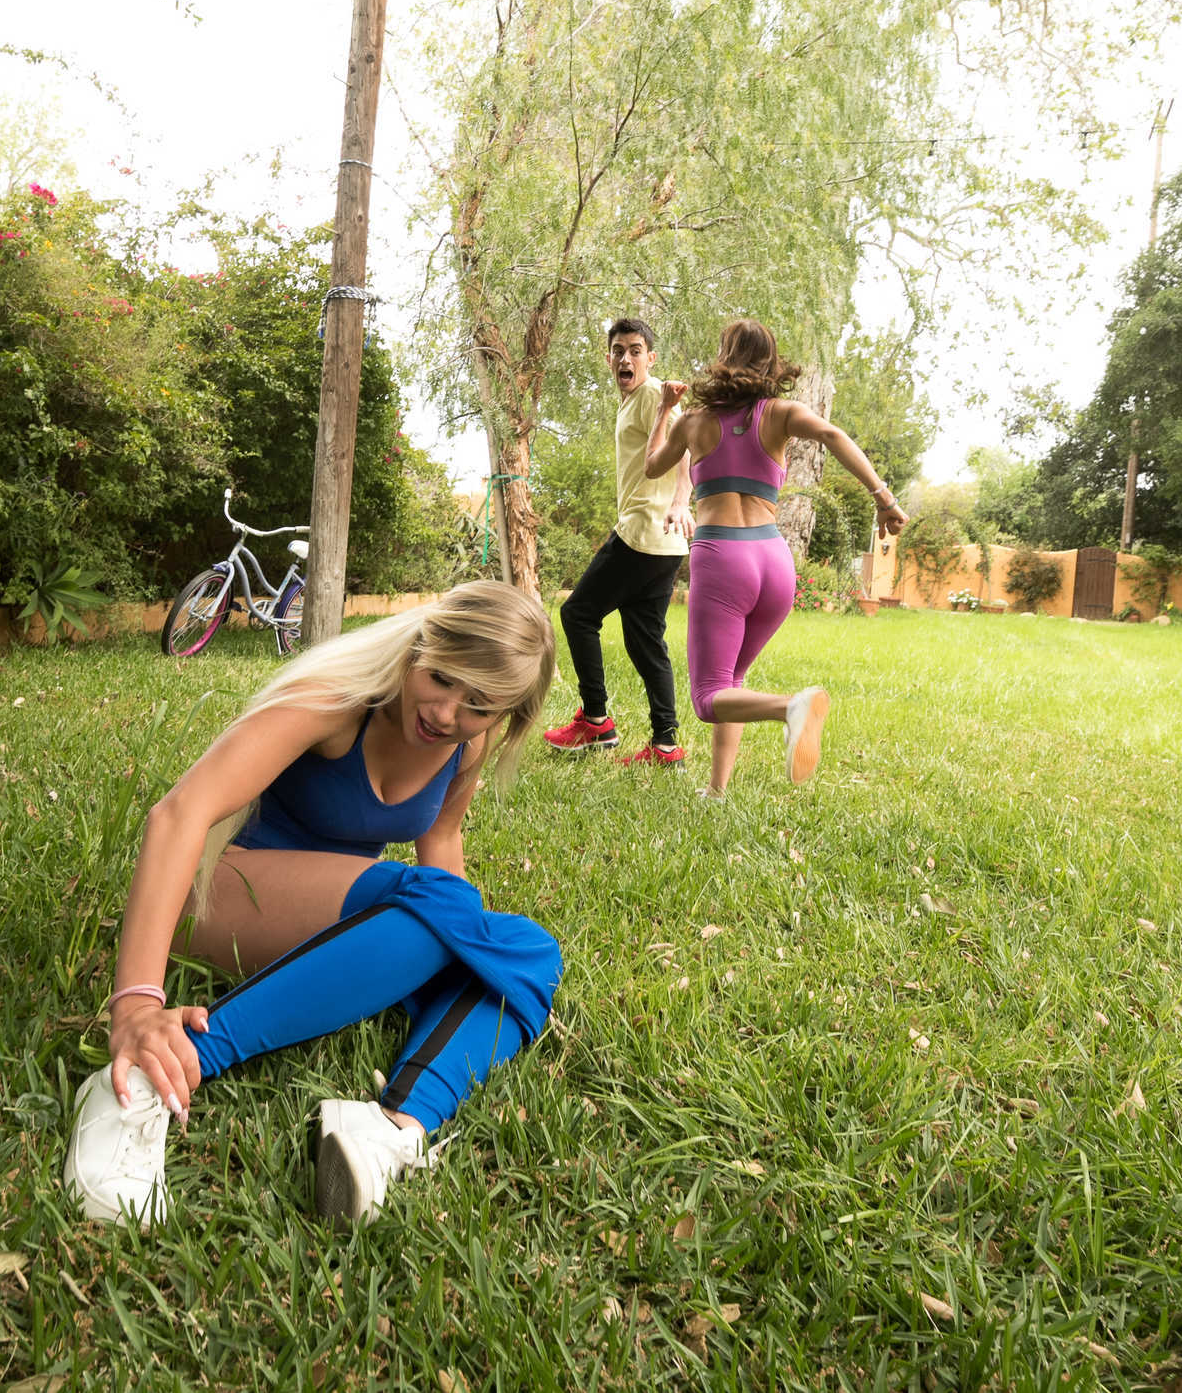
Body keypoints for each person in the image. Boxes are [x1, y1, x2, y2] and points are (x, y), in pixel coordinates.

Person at [64, 581, 562, 1227]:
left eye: (479, 705)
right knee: (446, 907)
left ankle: (393, 1128)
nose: (446, 713)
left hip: (340, 916)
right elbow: (180, 812)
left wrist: (461, 956)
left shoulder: (468, 741)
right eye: (442, 677)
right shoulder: (339, 698)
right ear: (422, 645)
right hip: (221, 895)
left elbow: (440, 839)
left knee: (531, 948)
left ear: (506, 714)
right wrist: (135, 1003)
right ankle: (154, 1074)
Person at [645, 318, 908, 797]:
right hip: (774, 561)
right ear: (770, 363)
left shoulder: (693, 422)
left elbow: (652, 466)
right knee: (732, 681)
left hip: (723, 558)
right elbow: (832, 435)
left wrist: (664, 410)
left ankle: (791, 707)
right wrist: (883, 498)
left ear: (723, 357)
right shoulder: (781, 413)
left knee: (708, 699)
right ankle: (717, 790)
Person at [541, 317, 693, 767]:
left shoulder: (652, 395)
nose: (626, 358)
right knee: (646, 643)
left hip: (643, 532)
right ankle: (665, 744)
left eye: (635, 350)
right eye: (619, 350)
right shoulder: (633, 401)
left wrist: (681, 501)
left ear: (651, 357)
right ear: (608, 358)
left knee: (577, 614)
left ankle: (596, 721)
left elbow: (686, 446)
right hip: (663, 545)